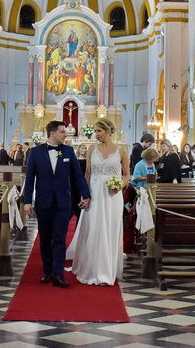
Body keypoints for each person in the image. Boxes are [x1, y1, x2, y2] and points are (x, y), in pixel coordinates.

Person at [24, 120, 91, 287]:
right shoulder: (35, 152)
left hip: (63, 202)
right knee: (45, 238)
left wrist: (86, 195)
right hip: (43, 201)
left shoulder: (68, 151)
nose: (65, 134)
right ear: (52, 133)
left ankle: (58, 274)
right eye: (62, 132)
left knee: (59, 238)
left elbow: (78, 175)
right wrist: (27, 202)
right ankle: (47, 271)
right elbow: (30, 178)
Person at [66, 118, 130, 285]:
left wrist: (120, 185)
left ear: (108, 131)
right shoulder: (91, 148)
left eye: (98, 131)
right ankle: (90, 268)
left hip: (112, 196)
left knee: (109, 229)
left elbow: (127, 175)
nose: (96, 134)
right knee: (93, 228)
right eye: (95, 131)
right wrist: (84, 196)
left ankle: (106, 271)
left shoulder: (122, 150)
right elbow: (87, 174)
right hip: (94, 193)